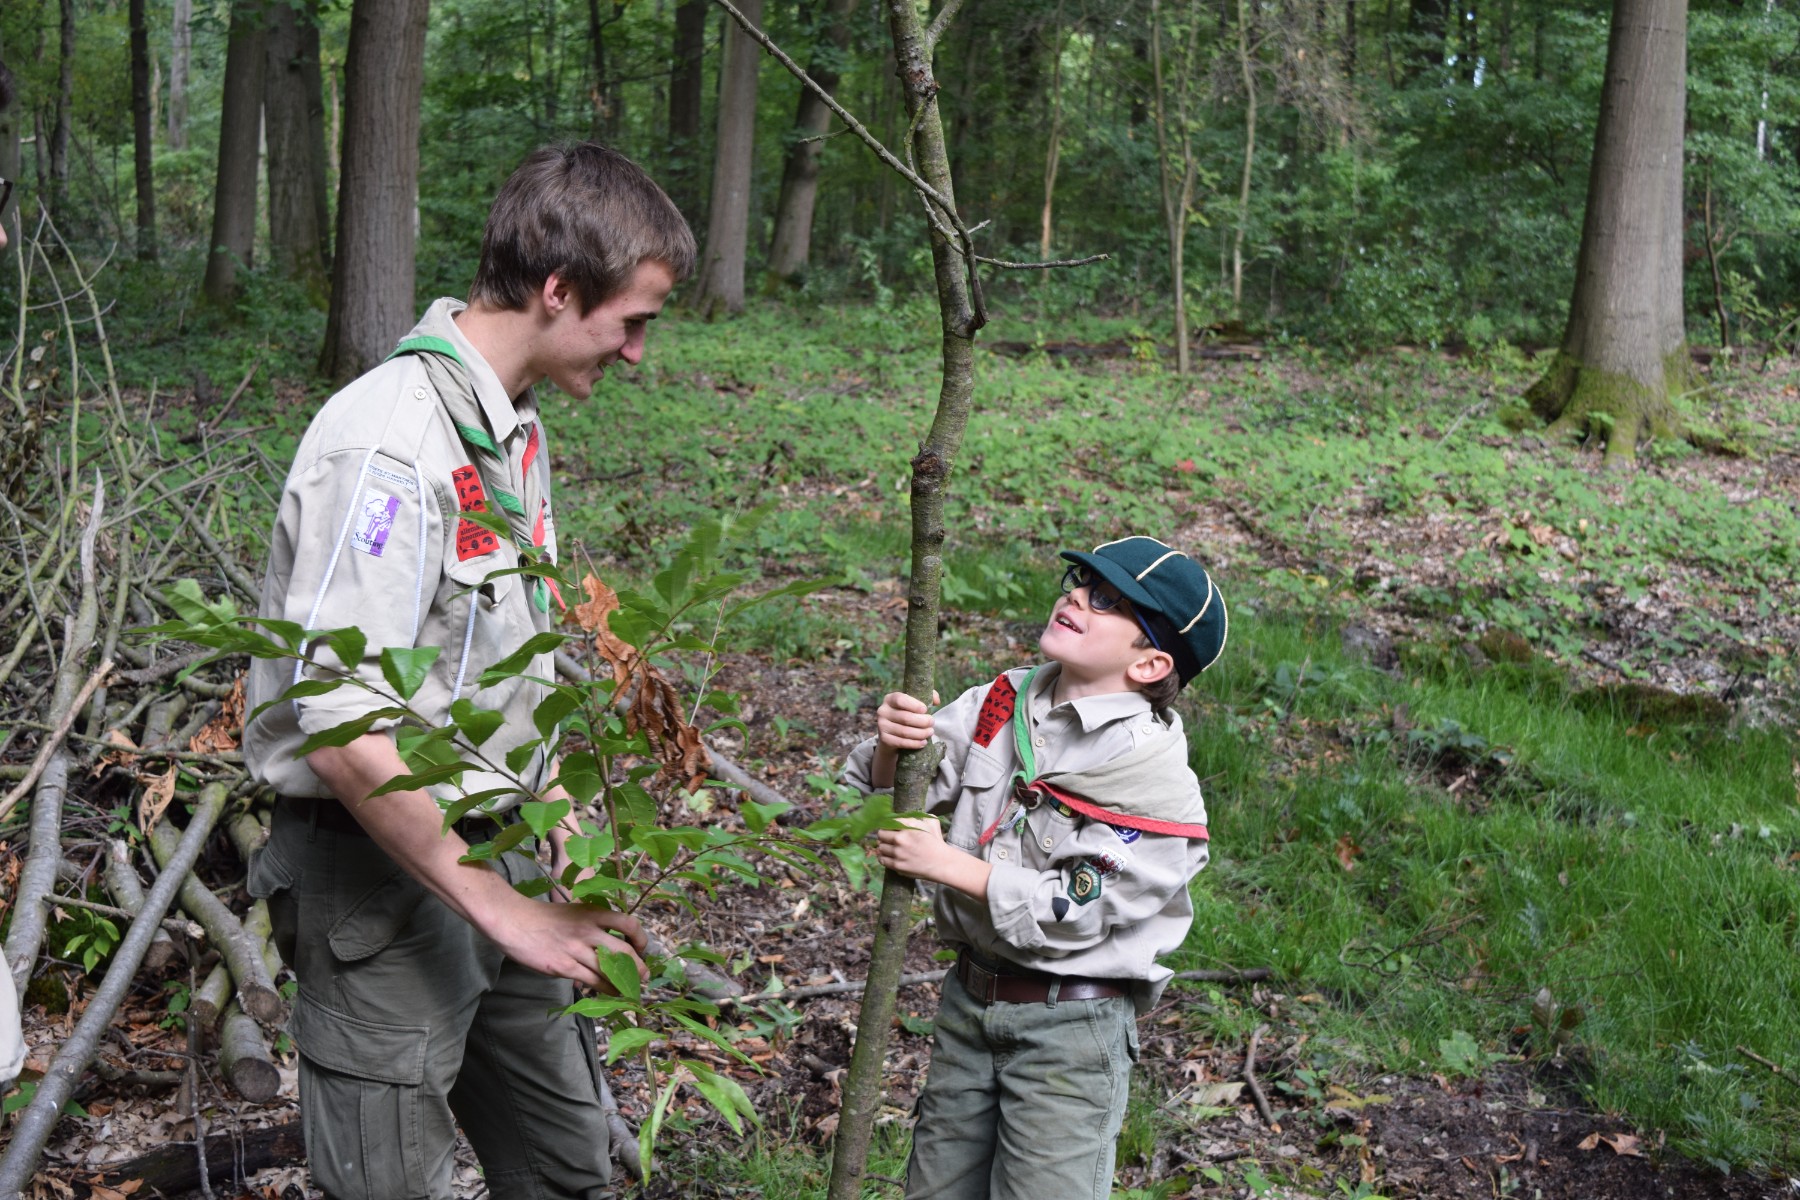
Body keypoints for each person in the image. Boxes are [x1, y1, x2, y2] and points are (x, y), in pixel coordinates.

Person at [243, 143, 694, 1200]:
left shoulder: (509, 428)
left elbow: (504, 655)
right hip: (380, 880)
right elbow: (343, 722)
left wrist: (559, 830)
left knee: (566, 1165)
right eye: (632, 321)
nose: (638, 353)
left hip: (506, 854)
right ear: (557, 289)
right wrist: (502, 908)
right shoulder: (389, 447)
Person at [843, 536, 1228, 1200]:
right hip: (969, 1003)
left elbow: (1073, 908)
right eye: (1080, 581)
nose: (1076, 596)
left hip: (1070, 1033)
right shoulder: (1003, 701)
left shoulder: (1151, 778)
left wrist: (945, 864)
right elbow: (889, 793)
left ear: (1150, 663)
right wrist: (893, 744)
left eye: (1108, 601)